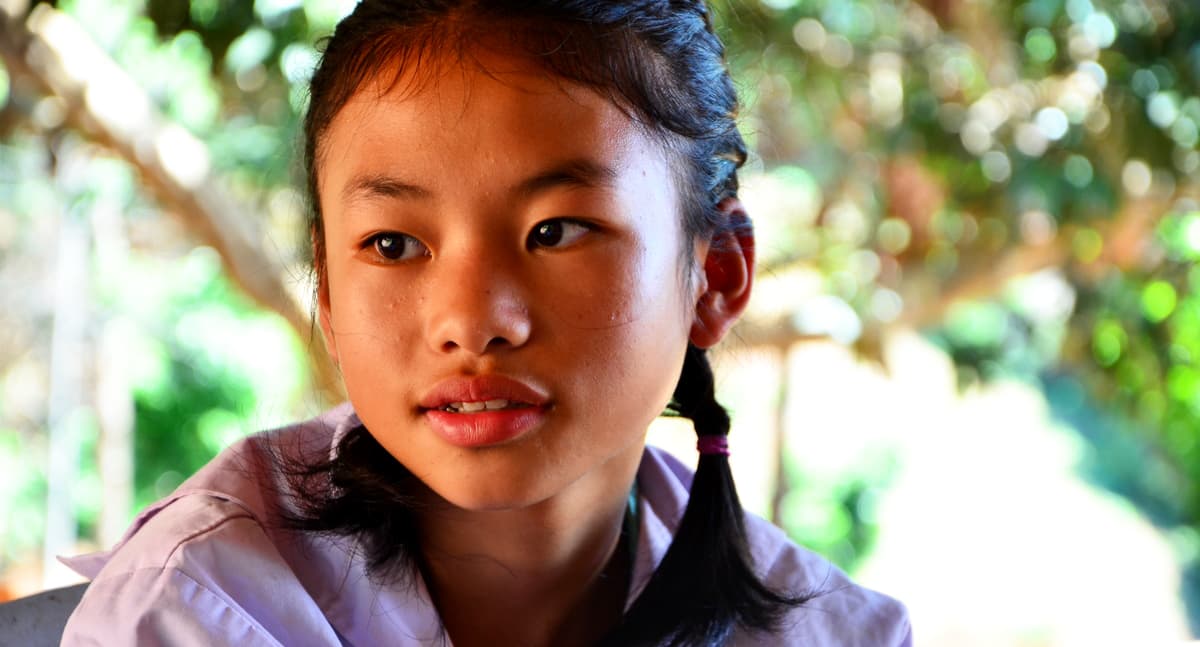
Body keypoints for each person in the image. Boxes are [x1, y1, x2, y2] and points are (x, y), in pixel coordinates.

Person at [60, 1, 911, 645]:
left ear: (715, 274)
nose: (471, 322)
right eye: (392, 243)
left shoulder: (831, 630)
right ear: (325, 287)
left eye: (557, 231)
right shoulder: (200, 607)